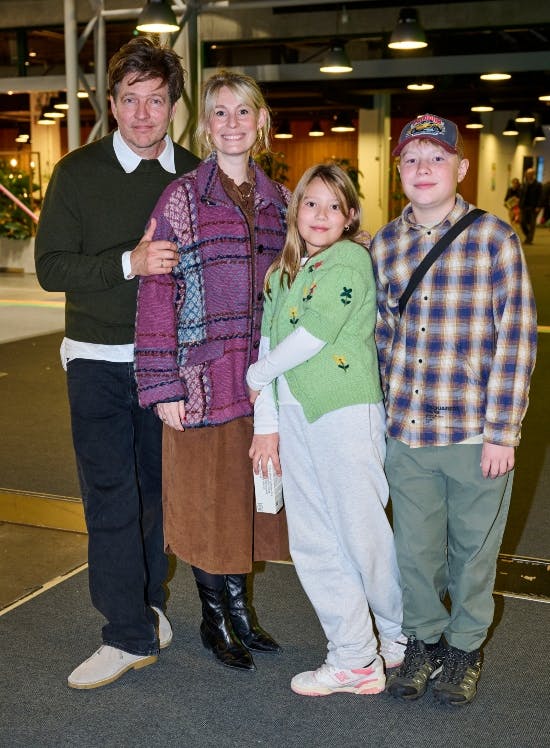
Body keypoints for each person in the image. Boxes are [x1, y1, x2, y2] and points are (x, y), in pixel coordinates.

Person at [34, 37, 199, 689]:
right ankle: (126, 633)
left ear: (172, 106)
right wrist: (129, 262)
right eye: (129, 100)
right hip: (98, 362)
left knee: (157, 497)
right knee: (110, 496)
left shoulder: (196, 177)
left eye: (155, 100)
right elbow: (51, 268)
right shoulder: (77, 173)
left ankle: (146, 605)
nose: (142, 113)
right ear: (111, 102)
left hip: (170, 368)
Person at [370, 113, 537, 706]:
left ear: (460, 169)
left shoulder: (494, 238)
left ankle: (464, 649)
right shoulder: (385, 244)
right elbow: (381, 340)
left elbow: (516, 337)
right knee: (414, 553)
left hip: (474, 434)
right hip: (407, 435)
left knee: (472, 553)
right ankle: (424, 642)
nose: (423, 169)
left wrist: (503, 433)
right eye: (411, 160)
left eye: (436, 158)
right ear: (398, 171)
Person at [134, 70, 290, 672]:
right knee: (205, 501)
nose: (231, 124)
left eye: (242, 112)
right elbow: (155, 289)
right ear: (204, 125)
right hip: (199, 380)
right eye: (219, 113)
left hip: (260, 383)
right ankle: (214, 616)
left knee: (245, 501)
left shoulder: (279, 201)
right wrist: (161, 383)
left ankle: (241, 611)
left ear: (261, 123)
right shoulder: (182, 197)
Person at [246, 163, 404, 697]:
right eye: (310, 203)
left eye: (333, 206)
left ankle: (401, 635)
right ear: (295, 211)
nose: (319, 214)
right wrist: (265, 424)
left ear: (350, 216)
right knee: (313, 542)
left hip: (343, 413)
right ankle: (355, 657)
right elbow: (267, 345)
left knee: (362, 534)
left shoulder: (351, 260)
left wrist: (258, 374)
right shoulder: (280, 272)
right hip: (294, 418)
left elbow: (312, 336)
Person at [519, 167, 543, 244]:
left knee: (532, 224)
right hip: (524, 206)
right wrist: (519, 205)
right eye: (527, 174)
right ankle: (528, 235)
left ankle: (529, 239)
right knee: (522, 222)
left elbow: (540, 196)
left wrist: (539, 206)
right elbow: (521, 195)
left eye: (530, 174)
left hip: (534, 207)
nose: (528, 175)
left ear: (533, 174)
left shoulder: (538, 185)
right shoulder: (524, 184)